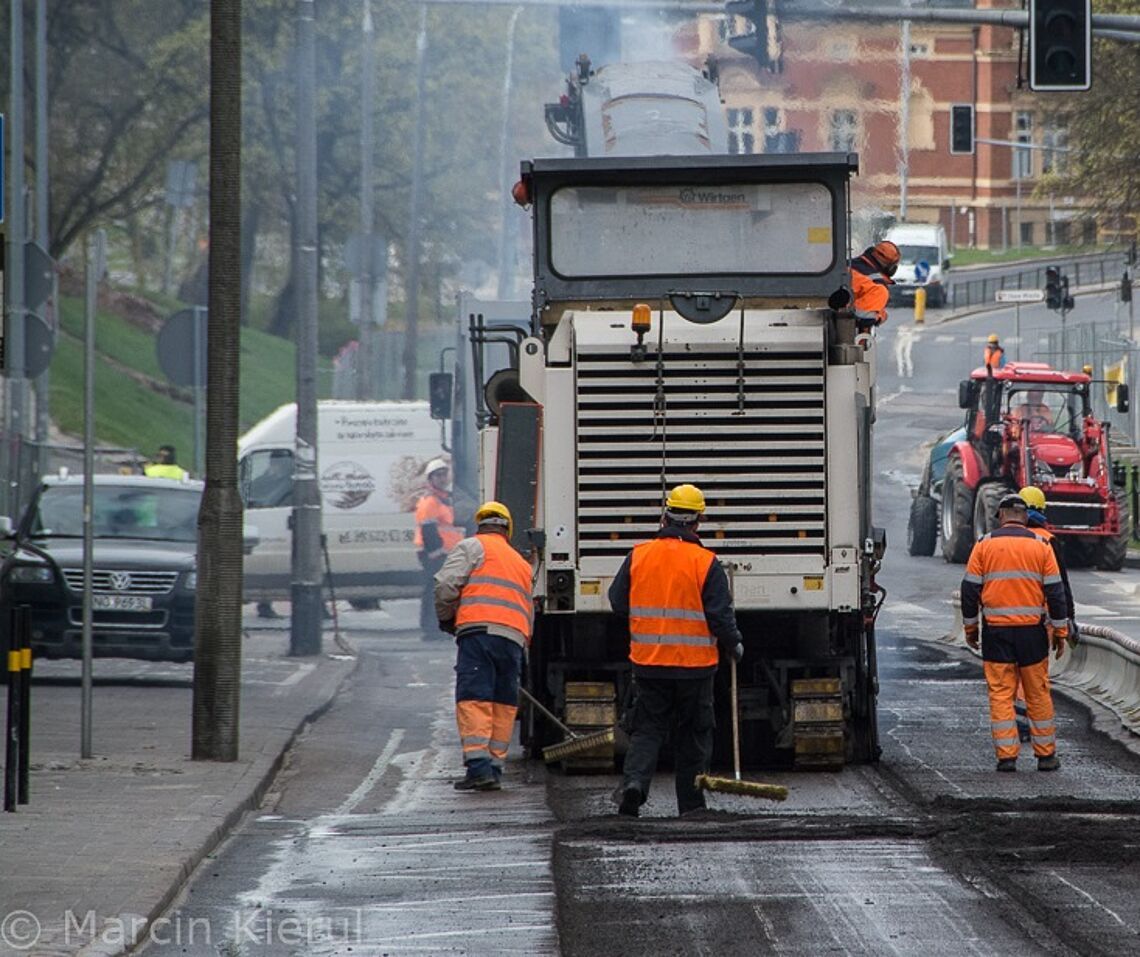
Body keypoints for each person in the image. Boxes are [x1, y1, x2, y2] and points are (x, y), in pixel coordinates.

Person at [607, 483, 745, 818]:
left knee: (648, 730)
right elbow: (718, 615)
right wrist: (734, 643)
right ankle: (692, 804)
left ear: (664, 515)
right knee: (694, 734)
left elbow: (617, 601)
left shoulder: (638, 555)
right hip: (695, 668)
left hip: (650, 664)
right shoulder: (705, 562)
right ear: (698, 521)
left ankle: (634, 786)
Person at [961, 493, 1069, 772]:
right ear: (1025, 517)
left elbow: (969, 590)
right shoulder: (1042, 545)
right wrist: (1060, 631)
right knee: (1037, 692)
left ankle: (1006, 756)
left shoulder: (984, 545)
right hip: (1032, 633)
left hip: (996, 633)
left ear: (1000, 516)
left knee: (1000, 694)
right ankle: (1046, 756)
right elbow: (1056, 594)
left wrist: (971, 628)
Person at [435, 501, 534, 791]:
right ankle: (493, 767)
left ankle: (478, 769)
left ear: (480, 525)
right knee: (504, 703)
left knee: (474, 698)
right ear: (508, 529)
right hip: (514, 638)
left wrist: (446, 619)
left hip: (479, 634)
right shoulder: (520, 562)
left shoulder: (472, 547)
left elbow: (445, 586)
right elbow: (529, 608)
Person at [1014, 485, 1078, 742]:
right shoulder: (1048, 541)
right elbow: (1061, 586)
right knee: (1036, 679)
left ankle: (1016, 725)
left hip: (1004, 621)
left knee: (1010, 677)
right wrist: (1068, 620)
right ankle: (1033, 727)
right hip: (1039, 622)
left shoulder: (1002, 539)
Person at [414, 458, 463, 639]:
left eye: (444, 474)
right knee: (434, 590)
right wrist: (436, 553)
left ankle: (437, 626)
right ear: (430, 479)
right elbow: (428, 529)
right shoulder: (430, 502)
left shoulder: (444, 500)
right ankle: (430, 627)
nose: (443, 478)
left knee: (440, 590)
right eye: (438, 475)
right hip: (434, 554)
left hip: (444, 553)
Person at [849, 240, 900, 328]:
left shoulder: (847, 265)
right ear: (891, 268)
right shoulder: (878, 288)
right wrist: (880, 316)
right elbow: (864, 318)